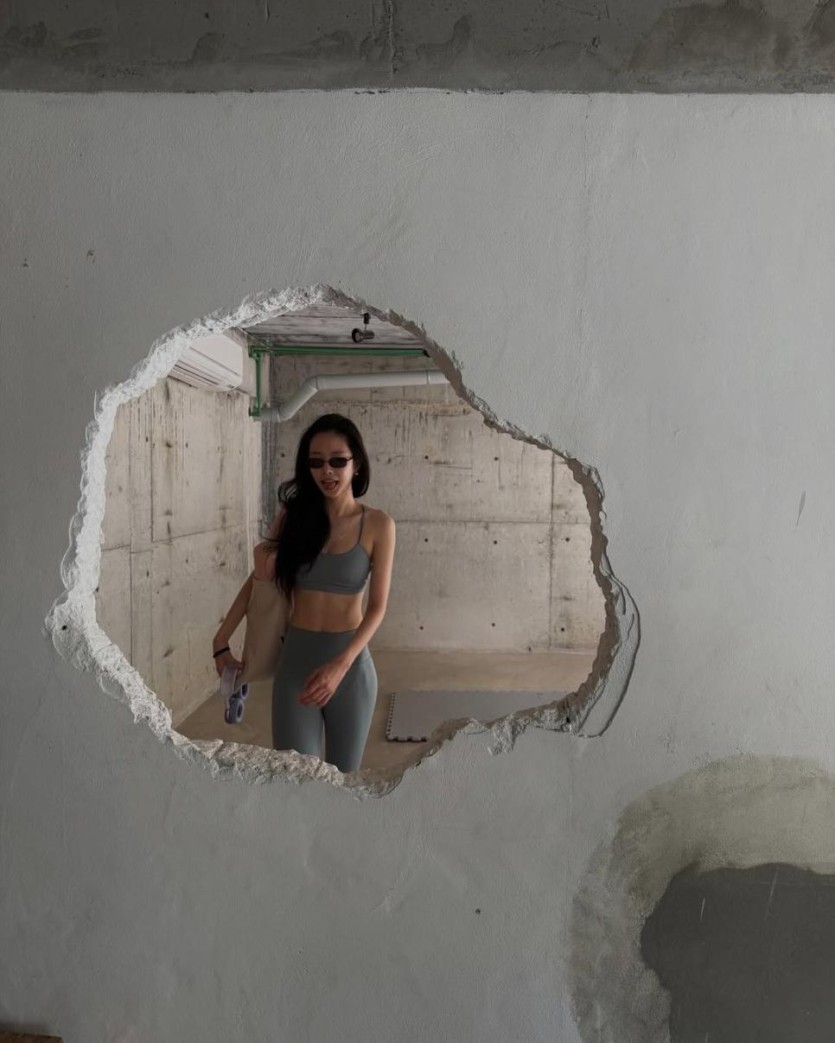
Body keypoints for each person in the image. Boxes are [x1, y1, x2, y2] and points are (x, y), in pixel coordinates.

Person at [212, 413, 395, 772]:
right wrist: (221, 639)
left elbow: (377, 608)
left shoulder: (379, 525)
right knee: (296, 779)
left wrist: (340, 667)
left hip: (351, 670)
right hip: (295, 663)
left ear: (356, 464)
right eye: (316, 462)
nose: (327, 471)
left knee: (344, 783)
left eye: (337, 461)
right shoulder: (294, 518)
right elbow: (261, 579)